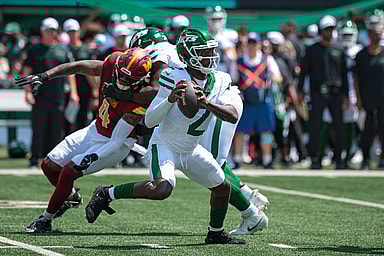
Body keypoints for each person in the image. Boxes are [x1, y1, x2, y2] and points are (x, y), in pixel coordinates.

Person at [85, 29, 250, 244]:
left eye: (211, 51)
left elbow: (232, 115)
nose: (210, 57)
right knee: (162, 189)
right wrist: (170, 99)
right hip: (165, 145)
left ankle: (215, 233)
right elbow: (151, 120)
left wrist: (207, 103)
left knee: (223, 187)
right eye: (204, 52)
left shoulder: (220, 79)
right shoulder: (173, 76)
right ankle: (107, 193)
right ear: (188, 55)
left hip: (191, 148)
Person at [15, 48, 156, 233]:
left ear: (141, 79)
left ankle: (45, 219)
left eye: (128, 79)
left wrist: (94, 155)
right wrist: (45, 75)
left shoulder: (142, 97)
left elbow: (117, 138)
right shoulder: (112, 63)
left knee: (68, 172)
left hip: (114, 144)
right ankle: (71, 196)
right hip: (95, 129)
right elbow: (79, 66)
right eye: (120, 75)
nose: (121, 81)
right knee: (48, 166)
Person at [22, 17, 76, 168]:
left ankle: (53, 159)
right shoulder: (34, 49)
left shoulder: (63, 49)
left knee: (56, 127)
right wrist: (27, 92)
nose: (50, 33)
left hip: (58, 95)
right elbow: (26, 72)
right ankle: (34, 158)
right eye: (47, 30)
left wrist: (73, 92)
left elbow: (70, 72)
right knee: (38, 127)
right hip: (39, 95)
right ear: (42, 31)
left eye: (53, 30)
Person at [297, 15, 349, 169]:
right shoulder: (312, 50)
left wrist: (346, 94)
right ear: (321, 30)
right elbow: (304, 72)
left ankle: (339, 158)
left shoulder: (339, 50)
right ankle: (315, 158)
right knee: (316, 127)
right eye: (327, 29)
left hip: (336, 93)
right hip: (317, 92)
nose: (329, 32)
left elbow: (344, 74)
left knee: (338, 127)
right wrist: (300, 92)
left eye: (331, 29)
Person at [232, 32, 282, 169]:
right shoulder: (239, 60)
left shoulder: (267, 59)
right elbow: (234, 79)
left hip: (263, 100)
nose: (252, 46)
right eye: (250, 43)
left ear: (259, 44)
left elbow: (278, 77)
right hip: (246, 101)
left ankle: (267, 159)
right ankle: (237, 159)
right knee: (240, 131)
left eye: (255, 43)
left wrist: (270, 79)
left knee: (266, 130)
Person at [354, 10, 384, 169]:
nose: (379, 36)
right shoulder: (361, 55)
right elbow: (356, 79)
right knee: (368, 130)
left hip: (382, 98)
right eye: (376, 33)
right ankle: (365, 158)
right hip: (368, 98)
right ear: (370, 34)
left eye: (381, 33)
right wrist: (358, 99)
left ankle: (382, 159)